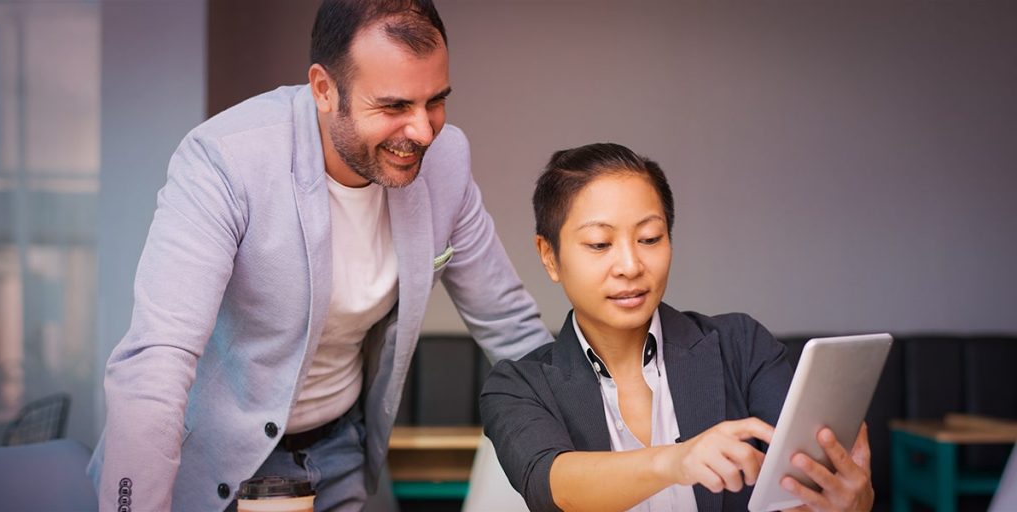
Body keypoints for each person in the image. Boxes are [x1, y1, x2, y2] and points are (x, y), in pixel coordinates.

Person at [87, 1, 551, 510]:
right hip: (211, 463)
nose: (422, 132)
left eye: (435, 101)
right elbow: (158, 361)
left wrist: (595, 451)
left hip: (339, 451)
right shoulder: (227, 160)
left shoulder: (446, 162)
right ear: (324, 89)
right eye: (394, 106)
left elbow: (509, 324)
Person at [480, 143, 874, 512]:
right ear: (549, 256)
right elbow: (551, 484)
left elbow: (795, 491)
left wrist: (846, 503)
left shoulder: (740, 346)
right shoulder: (518, 385)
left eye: (649, 238)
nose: (631, 266)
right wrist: (677, 460)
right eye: (600, 244)